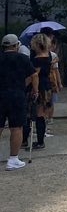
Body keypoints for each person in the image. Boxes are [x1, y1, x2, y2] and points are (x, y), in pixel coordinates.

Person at [0, 34, 37, 171]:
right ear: (16, 45)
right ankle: (13, 159)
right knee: (16, 127)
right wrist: (34, 90)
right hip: (17, 94)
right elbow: (33, 75)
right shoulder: (23, 58)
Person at [27, 33, 59, 150]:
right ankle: (40, 140)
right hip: (46, 85)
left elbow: (35, 74)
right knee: (42, 113)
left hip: (39, 86)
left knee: (37, 113)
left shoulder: (37, 59)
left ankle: (40, 141)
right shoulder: (49, 56)